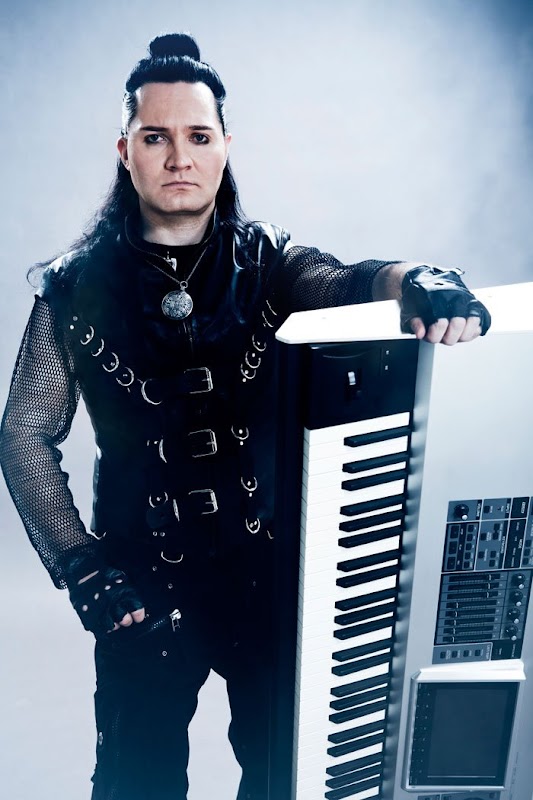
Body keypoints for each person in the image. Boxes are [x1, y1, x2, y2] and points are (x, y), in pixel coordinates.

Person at [0, 32, 490, 800]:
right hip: (140, 587)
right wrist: (83, 568)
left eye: (198, 137)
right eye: (155, 138)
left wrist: (416, 278)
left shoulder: (270, 262)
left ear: (225, 147)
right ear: (124, 150)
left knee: (280, 776)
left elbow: (345, 281)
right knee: (134, 782)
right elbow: (25, 432)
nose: (178, 157)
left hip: (264, 577)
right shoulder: (72, 288)